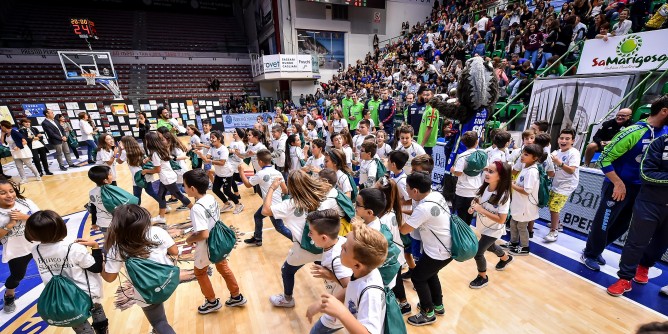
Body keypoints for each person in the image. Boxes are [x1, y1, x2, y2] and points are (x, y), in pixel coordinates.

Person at [582, 95, 668, 271]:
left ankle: (598, 248)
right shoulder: (633, 131)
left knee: (623, 225)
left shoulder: (665, 132)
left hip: (641, 188)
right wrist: (618, 183)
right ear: (664, 111)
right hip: (618, 184)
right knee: (604, 222)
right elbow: (604, 158)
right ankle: (590, 253)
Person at [262, 171, 341, 308]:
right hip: (323, 245)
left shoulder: (290, 204)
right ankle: (339, 299)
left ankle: (288, 299)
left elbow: (265, 210)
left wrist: (272, 188)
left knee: (287, 271)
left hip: (302, 249)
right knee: (333, 273)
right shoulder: (323, 197)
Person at [25, 210, 108, 334]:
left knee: (79, 324)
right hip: (87, 293)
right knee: (97, 310)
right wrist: (96, 247)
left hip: (64, 299)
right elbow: (96, 268)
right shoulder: (74, 248)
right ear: (61, 228)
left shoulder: (35, 250)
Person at [607, 132, 668, 296]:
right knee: (636, 241)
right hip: (650, 202)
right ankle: (624, 279)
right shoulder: (659, 143)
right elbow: (646, 174)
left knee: (662, 243)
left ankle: (645, 265)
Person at [102, 205, 178, 334]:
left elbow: (109, 278)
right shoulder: (157, 231)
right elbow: (174, 251)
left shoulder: (117, 247)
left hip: (145, 290)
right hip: (168, 280)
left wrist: (100, 263)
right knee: (160, 315)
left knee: (159, 322)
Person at [182, 169, 247, 313]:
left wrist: (189, 239)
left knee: (200, 273)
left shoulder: (196, 208)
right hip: (219, 240)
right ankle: (236, 296)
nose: (183, 188)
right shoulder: (210, 197)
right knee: (223, 267)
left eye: (184, 185)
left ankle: (211, 302)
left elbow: (203, 234)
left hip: (207, 245)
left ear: (192, 189)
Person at [399, 171, 452, 326]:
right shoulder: (436, 196)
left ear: (415, 191)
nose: (406, 191)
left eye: (407, 188)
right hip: (445, 247)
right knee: (430, 274)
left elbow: (404, 230)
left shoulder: (424, 208)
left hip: (438, 251)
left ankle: (427, 313)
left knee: (418, 277)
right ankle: (438, 306)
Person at [305, 209, 353, 333]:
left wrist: (321, 304)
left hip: (338, 307)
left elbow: (350, 287)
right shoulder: (340, 240)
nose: (309, 235)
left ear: (324, 237)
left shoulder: (336, 259)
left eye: (311, 232)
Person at [468, 161, 514, 289]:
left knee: (478, 252)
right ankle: (506, 258)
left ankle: (482, 277)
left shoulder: (504, 195)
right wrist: (473, 207)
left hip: (494, 229)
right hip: (483, 226)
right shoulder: (484, 187)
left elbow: (501, 220)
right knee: (490, 247)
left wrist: (481, 210)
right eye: (486, 170)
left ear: (501, 175)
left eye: (491, 171)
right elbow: (476, 200)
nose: (486, 173)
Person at [0, 178, 38, 314]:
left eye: (11, 191)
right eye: (2, 193)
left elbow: (43, 218)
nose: (9, 195)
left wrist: (25, 217)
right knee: (17, 276)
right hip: (17, 251)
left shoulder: (25, 203)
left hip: (38, 244)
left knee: (54, 268)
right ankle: (9, 296)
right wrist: (9, 225)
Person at [237, 149, 288, 246]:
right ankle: (258, 238)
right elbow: (285, 189)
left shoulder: (260, 173)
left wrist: (241, 172)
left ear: (260, 162)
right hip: (275, 203)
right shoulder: (277, 172)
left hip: (271, 206)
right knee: (257, 216)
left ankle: (298, 241)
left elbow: (248, 184)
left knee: (280, 228)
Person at [143, 132, 192, 224]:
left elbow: (157, 169)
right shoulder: (161, 149)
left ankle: (195, 211)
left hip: (167, 179)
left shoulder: (155, 154)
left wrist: (146, 171)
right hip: (167, 177)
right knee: (161, 196)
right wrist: (149, 158)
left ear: (149, 142)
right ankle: (161, 217)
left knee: (179, 195)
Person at [544, 129, 581, 242]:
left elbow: (571, 171)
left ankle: (554, 231)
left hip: (567, 185)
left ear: (573, 141)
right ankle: (558, 223)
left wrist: (559, 163)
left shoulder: (574, 153)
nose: (563, 141)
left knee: (555, 207)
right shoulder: (557, 152)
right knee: (551, 205)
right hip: (557, 183)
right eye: (562, 138)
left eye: (567, 139)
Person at [507, 144, 544, 256]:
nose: (522, 156)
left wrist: (512, 185)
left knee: (522, 227)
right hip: (519, 203)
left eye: (526, 154)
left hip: (526, 205)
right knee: (513, 223)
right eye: (522, 153)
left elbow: (527, 190)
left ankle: (524, 247)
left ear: (535, 158)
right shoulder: (525, 167)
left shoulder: (532, 171)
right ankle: (513, 243)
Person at [196, 130, 244, 214]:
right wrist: (200, 155)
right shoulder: (212, 148)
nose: (211, 139)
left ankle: (239, 204)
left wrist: (210, 161)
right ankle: (227, 204)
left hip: (227, 173)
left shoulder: (223, 149)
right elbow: (207, 160)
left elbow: (222, 163)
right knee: (215, 189)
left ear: (219, 139)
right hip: (219, 173)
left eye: (213, 137)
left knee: (227, 191)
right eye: (210, 138)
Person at [450, 131, 483, 226]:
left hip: (462, 191)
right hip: (475, 190)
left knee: (460, 217)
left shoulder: (462, 156)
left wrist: (453, 171)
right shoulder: (481, 154)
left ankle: (460, 238)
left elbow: (459, 173)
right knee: (470, 216)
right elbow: (485, 167)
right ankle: (467, 236)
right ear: (477, 142)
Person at [119, 136, 159, 206]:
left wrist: (119, 150)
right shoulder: (139, 148)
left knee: (137, 194)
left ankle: (137, 210)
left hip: (137, 175)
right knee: (149, 191)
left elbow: (119, 161)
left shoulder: (125, 152)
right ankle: (163, 204)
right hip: (145, 172)